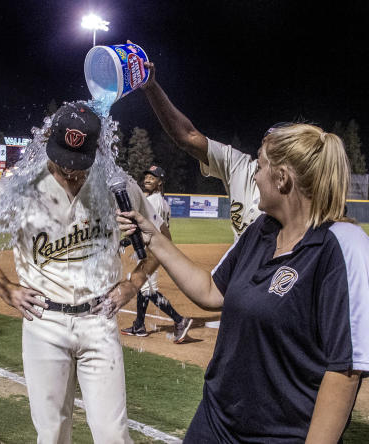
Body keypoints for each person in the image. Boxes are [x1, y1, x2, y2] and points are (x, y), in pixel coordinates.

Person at [117, 123, 369, 443]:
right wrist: (152, 236)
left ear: (282, 178)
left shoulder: (343, 245)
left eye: (260, 166)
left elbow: (344, 371)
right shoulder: (262, 229)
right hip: (216, 420)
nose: (254, 176)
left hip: (280, 435)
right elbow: (210, 291)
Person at [0, 103, 167, 443]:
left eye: (79, 164)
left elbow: (161, 240)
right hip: (44, 321)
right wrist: (5, 288)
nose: (71, 172)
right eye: (63, 161)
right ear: (49, 144)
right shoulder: (21, 185)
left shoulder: (118, 185)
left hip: (99, 319)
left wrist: (133, 283)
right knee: (53, 433)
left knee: (113, 435)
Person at [140, 60, 262, 242]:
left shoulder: (300, 190)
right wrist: (151, 87)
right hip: (241, 268)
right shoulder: (242, 166)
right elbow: (188, 137)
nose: (263, 149)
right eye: (264, 143)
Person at [121, 165, 192, 343]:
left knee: (147, 289)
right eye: (146, 176)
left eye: (152, 177)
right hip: (157, 249)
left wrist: (126, 241)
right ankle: (139, 325)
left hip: (151, 251)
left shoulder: (152, 201)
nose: (147, 179)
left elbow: (148, 229)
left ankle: (179, 320)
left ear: (160, 182)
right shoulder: (164, 202)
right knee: (144, 286)